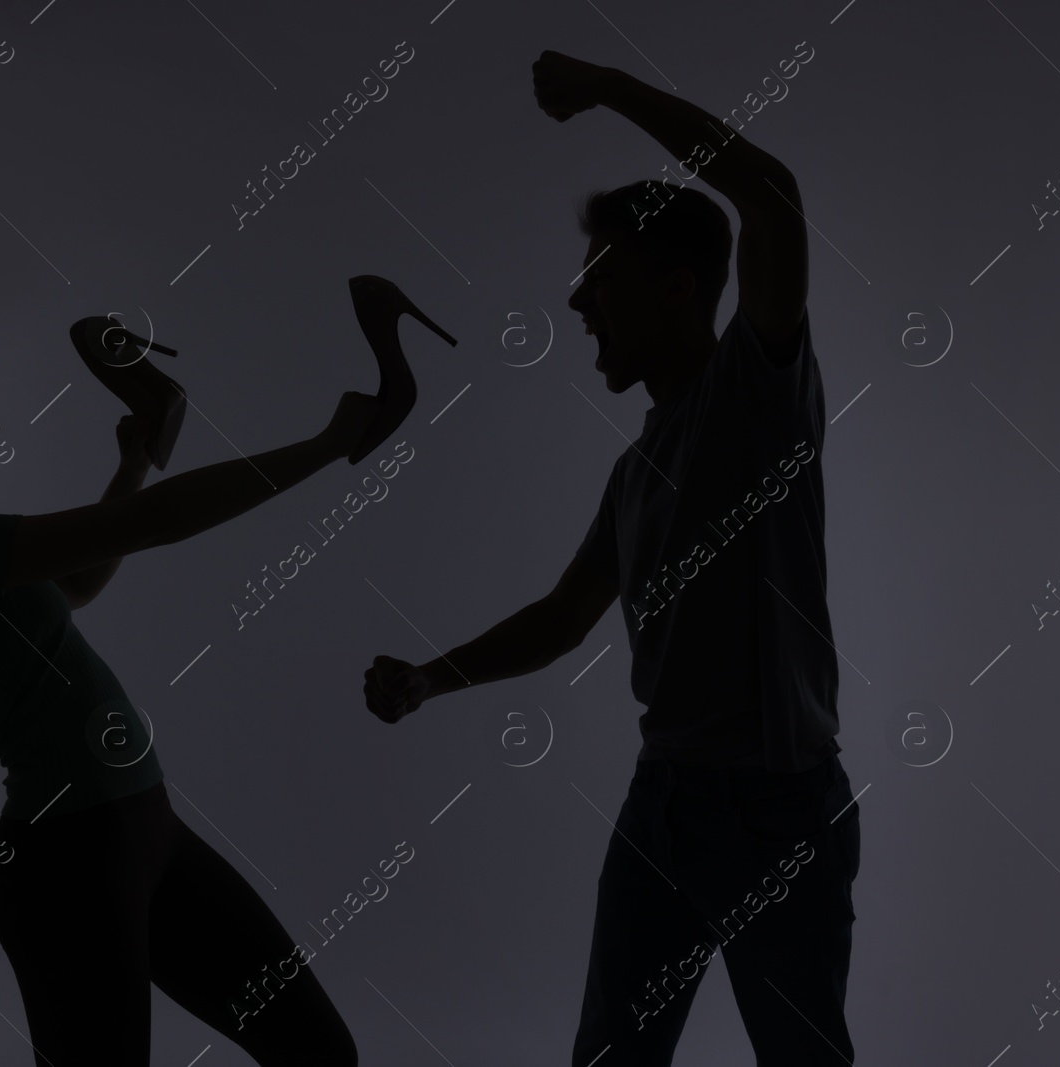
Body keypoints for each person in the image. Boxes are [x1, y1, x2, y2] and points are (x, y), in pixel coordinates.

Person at [362, 52, 860, 1065]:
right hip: (660, 807)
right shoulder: (635, 472)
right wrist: (428, 676)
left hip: (779, 809)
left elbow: (770, 197)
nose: (576, 305)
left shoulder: (755, 390)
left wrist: (610, 88)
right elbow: (560, 616)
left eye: (597, 281)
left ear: (677, 286)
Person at [0, 335, 378, 1065]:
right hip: (68, 864)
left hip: (144, 829)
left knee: (319, 1052)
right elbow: (156, 523)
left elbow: (75, 585)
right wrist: (331, 442)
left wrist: (132, 463)